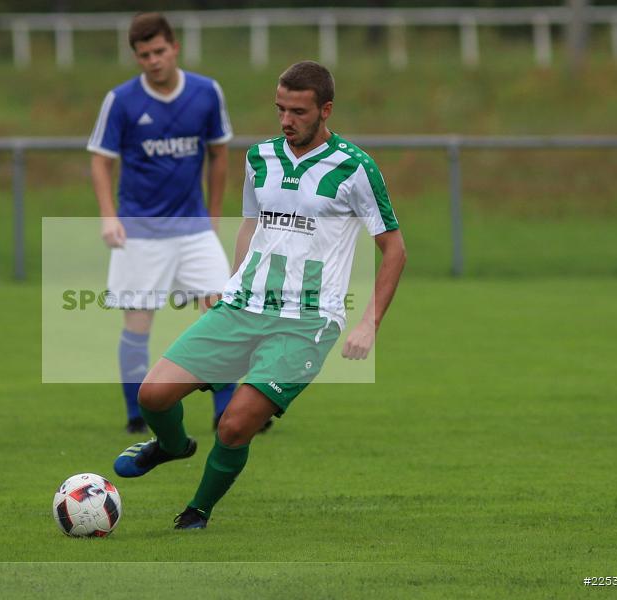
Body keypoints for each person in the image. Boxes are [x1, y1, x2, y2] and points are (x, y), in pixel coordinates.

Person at [113, 61, 407, 529]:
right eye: (280, 109)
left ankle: (196, 512)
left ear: (325, 110)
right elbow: (251, 227)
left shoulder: (356, 168)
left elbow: (394, 249)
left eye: (298, 111)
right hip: (241, 306)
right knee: (153, 395)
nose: (286, 120)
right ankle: (171, 446)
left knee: (234, 424)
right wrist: (230, 283)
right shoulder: (260, 157)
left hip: (307, 321)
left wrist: (368, 323)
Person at [87, 13, 238, 434]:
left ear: (175, 48)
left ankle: (226, 411)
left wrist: (214, 215)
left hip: (193, 229)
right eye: (143, 55)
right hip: (139, 232)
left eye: (158, 51)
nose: (153, 61)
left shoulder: (207, 92)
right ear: (136, 57)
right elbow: (100, 161)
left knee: (223, 316)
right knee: (137, 326)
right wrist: (108, 217)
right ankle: (137, 415)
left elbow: (219, 155)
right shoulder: (121, 100)